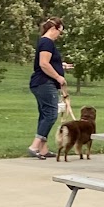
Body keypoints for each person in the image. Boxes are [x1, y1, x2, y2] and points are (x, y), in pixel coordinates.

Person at [28, 18, 67, 159]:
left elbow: (48, 62)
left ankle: (43, 149)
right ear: (54, 28)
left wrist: (61, 66)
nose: (59, 36)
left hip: (41, 83)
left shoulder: (45, 42)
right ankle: (34, 145)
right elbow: (44, 64)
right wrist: (58, 77)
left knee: (44, 115)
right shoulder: (47, 42)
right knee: (51, 114)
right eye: (60, 32)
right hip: (45, 83)